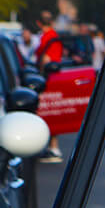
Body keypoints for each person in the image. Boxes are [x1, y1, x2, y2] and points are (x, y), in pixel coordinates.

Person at [35, 11, 65, 163]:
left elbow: (45, 59)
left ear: (38, 23)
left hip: (47, 78)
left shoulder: (47, 38)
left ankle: (52, 147)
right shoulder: (54, 37)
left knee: (48, 112)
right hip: (53, 77)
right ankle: (51, 147)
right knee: (50, 111)